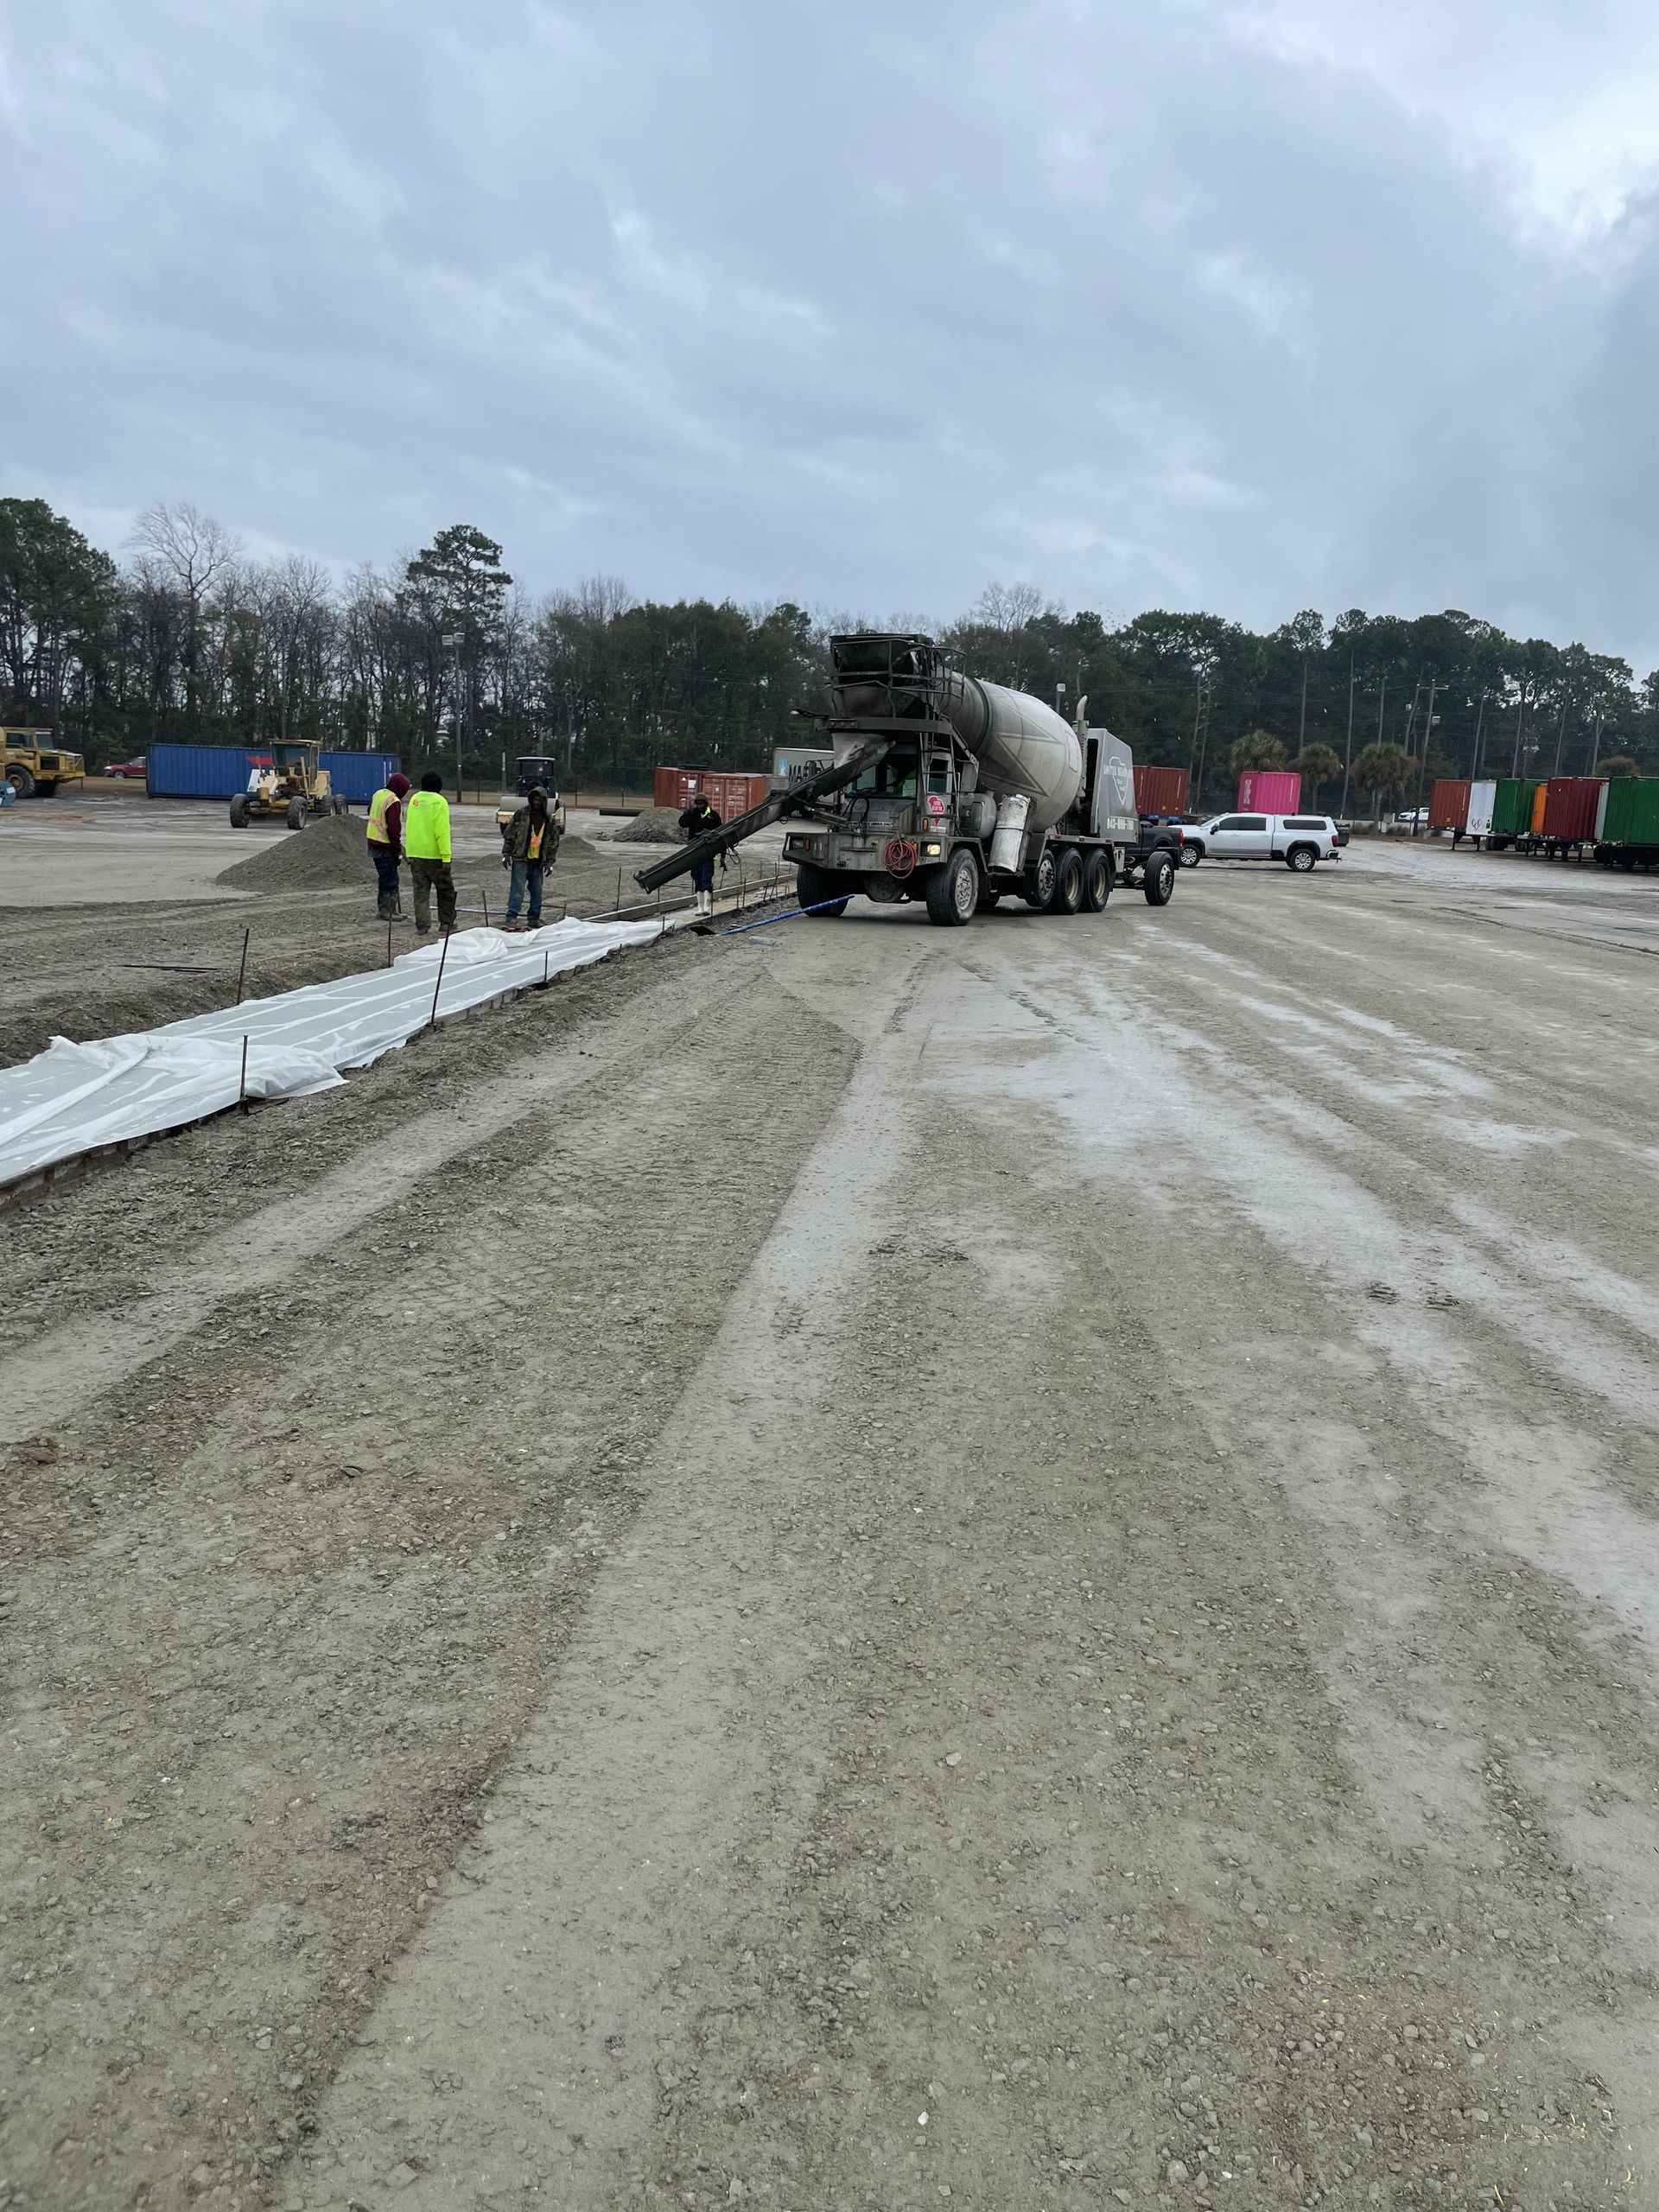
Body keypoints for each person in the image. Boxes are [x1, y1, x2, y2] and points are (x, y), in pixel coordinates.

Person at [404, 769, 456, 936]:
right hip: (434, 856)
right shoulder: (439, 802)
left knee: (420, 892)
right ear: (439, 786)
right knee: (445, 890)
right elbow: (442, 831)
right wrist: (446, 857)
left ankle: (422, 925)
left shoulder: (414, 800)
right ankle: (446, 923)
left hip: (416, 854)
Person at [500, 784, 559, 931]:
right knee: (517, 890)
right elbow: (509, 835)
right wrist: (506, 854)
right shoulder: (521, 815)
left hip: (538, 861)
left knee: (537, 891)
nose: (536, 803)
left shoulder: (549, 821)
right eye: (534, 799)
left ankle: (533, 919)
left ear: (544, 801)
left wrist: (550, 861)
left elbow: (554, 842)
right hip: (521, 858)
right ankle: (511, 918)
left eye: (540, 800)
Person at [365, 770, 411, 918]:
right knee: (390, 879)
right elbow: (394, 830)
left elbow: (369, 810)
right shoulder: (393, 801)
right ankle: (388, 911)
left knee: (384, 877)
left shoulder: (379, 794)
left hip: (373, 844)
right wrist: (397, 851)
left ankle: (386, 909)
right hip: (384, 845)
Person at [678, 790, 722, 918]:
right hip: (694, 852)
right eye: (697, 804)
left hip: (708, 852)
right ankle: (699, 907)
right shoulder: (692, 815)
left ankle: (707, 907)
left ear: (706, 804)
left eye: (701, 804)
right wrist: (686, 814)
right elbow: (682, 824)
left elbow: (720, 834)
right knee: (697, 878)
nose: (699, 806)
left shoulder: (713, 815)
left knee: (706, 878)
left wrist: (722, 855)